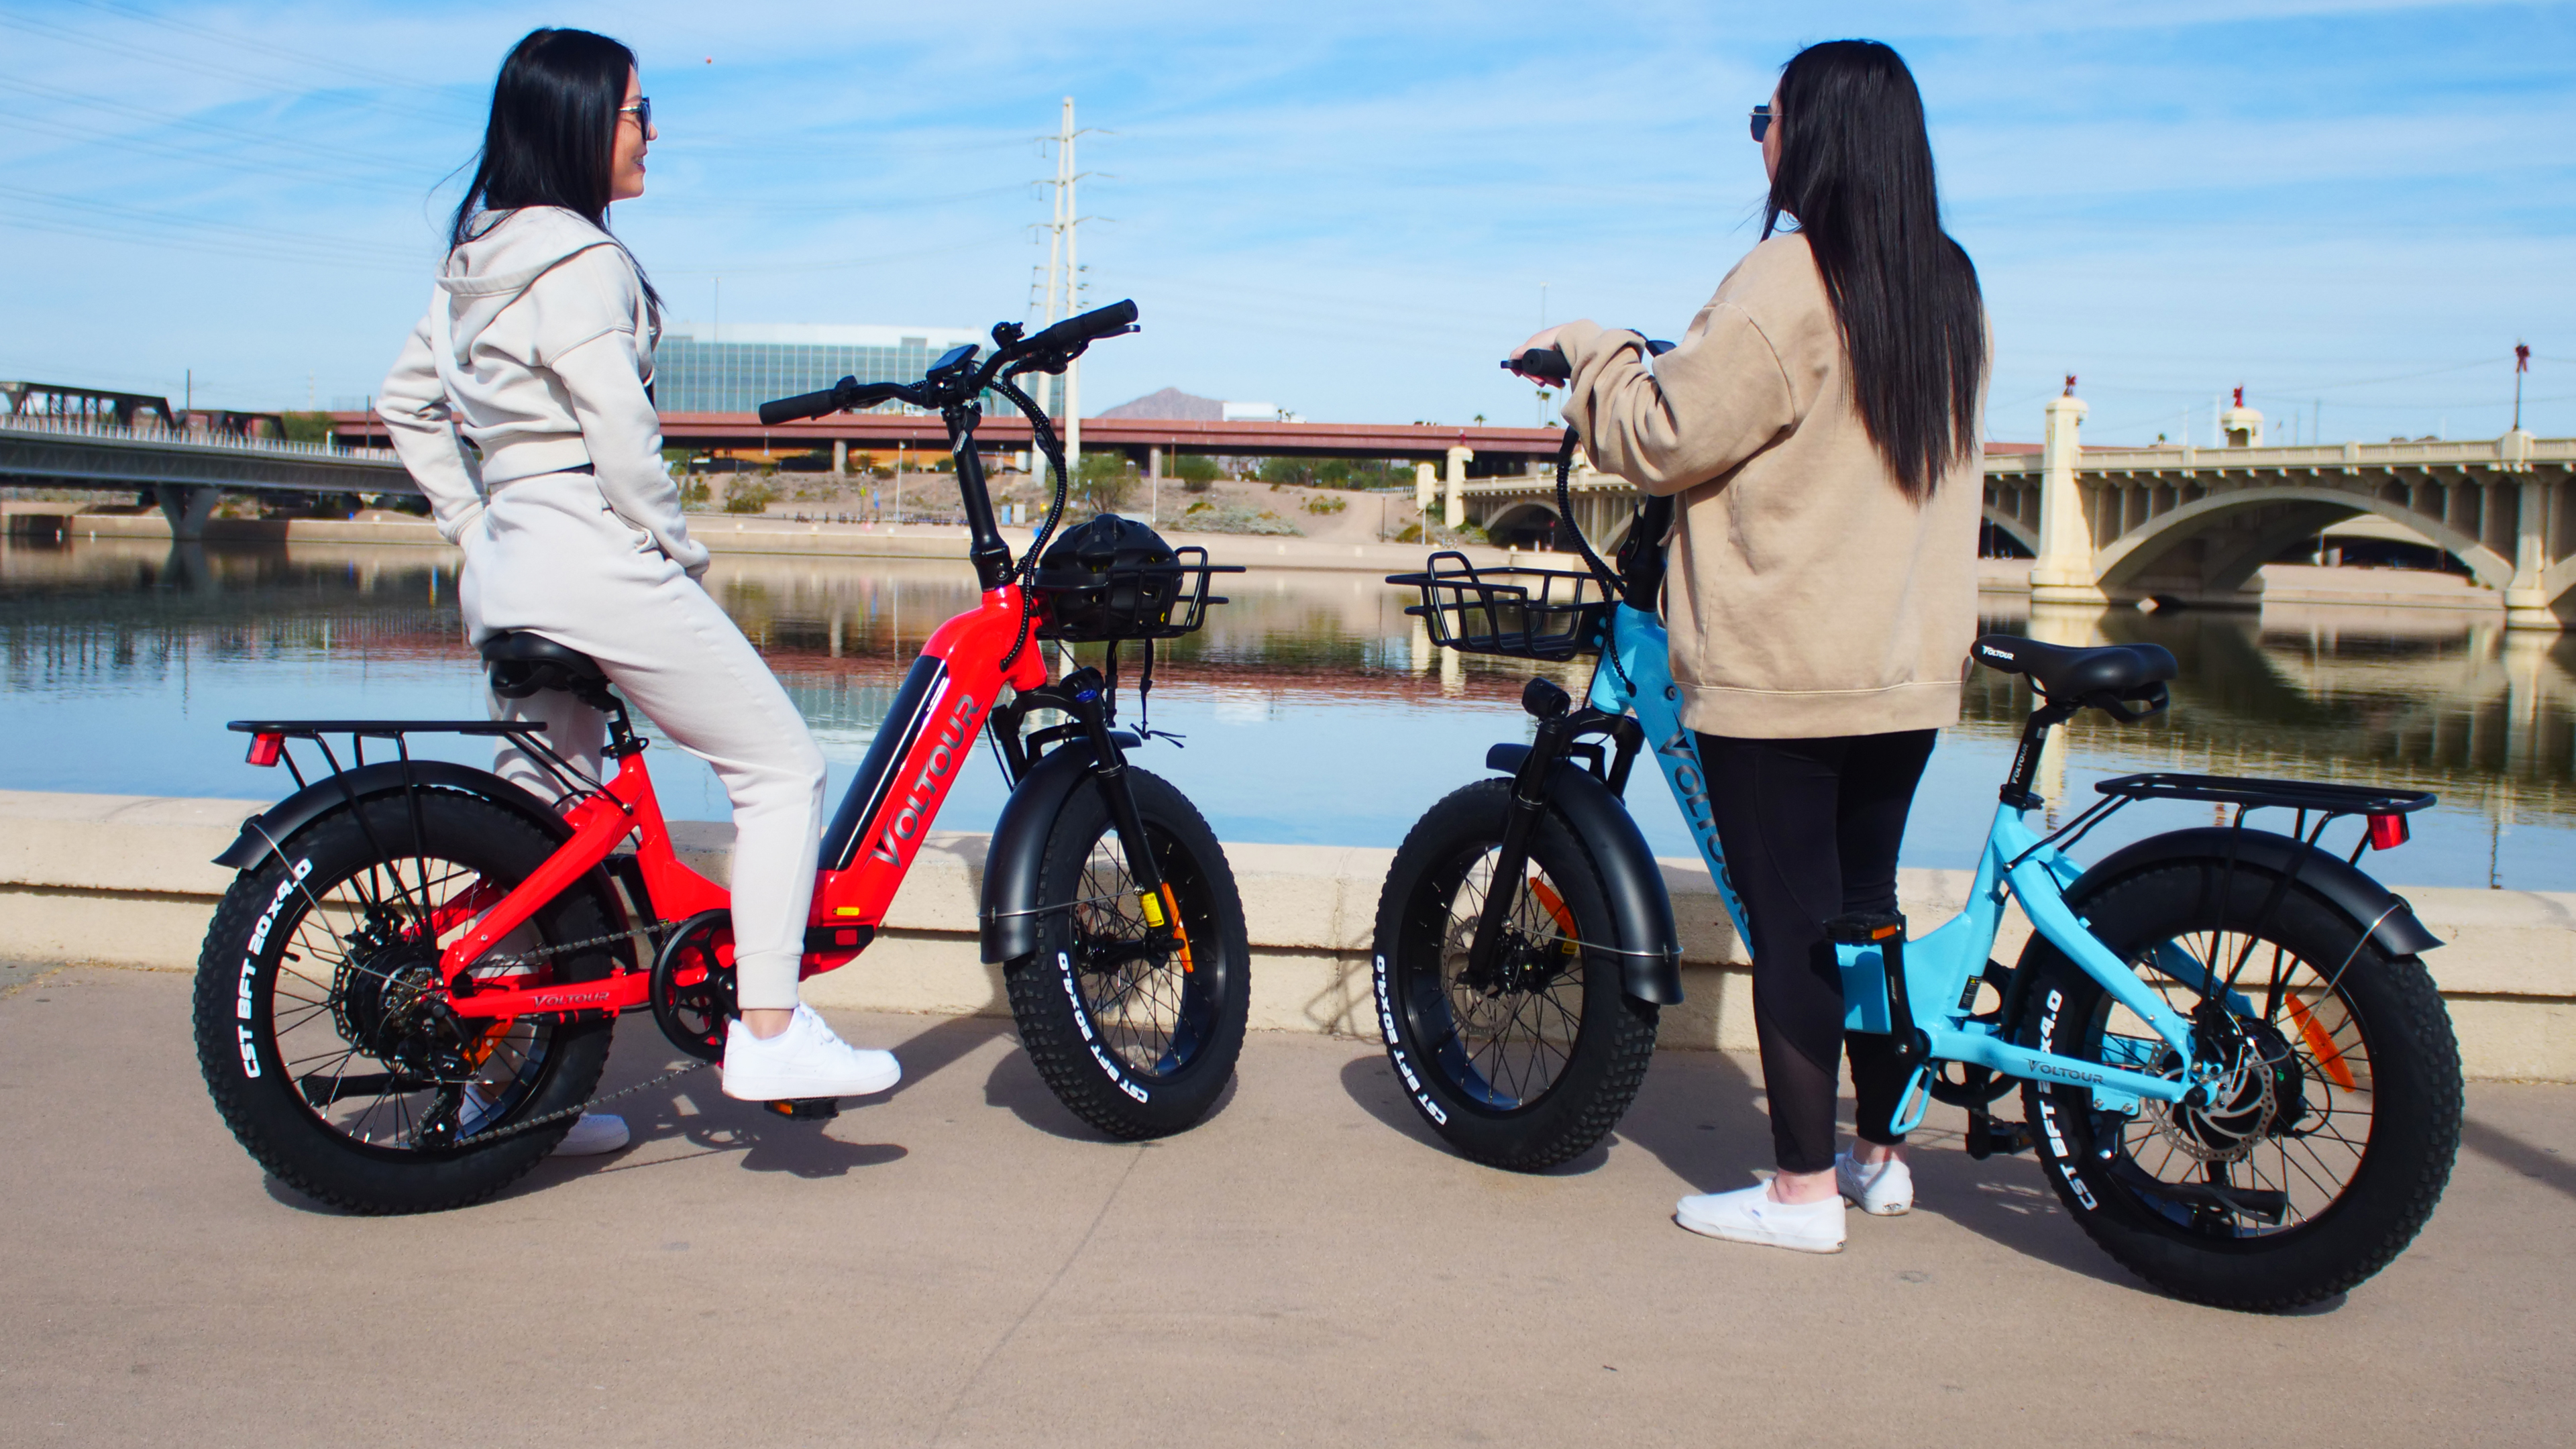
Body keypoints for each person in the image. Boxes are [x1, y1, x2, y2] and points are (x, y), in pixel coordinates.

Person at [378, 28, 900, 1155]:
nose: (651, 129)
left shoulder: (474, 261)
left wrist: (473, 525)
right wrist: (676, 551)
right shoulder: (581, 258)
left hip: (513, 564)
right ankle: (769, 1024)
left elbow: (405, 403)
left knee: (538, 824)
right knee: (777, 766)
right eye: (635, 110)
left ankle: (510, 1092)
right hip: (590, 551)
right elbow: (622, 433)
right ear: (578, 122)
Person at [1516, 39, 1986, 1252]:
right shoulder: (1945, 283)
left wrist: (1590, 352)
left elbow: (1665, 434)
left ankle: (1799, 1194)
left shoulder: (1787, 277)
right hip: (1903, 663)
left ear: (1814, 133)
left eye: (1762, 116)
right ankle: (1877, 1158)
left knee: (1791, 928)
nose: (1757, 138)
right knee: (1865, 910)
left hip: (1787, 667)